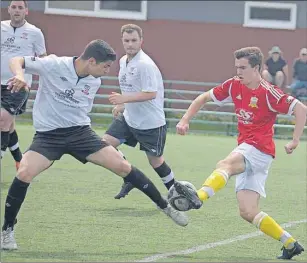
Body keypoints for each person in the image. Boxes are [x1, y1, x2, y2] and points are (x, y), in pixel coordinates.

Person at [0, 39, 188, 250]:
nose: (107, 71)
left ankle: (165, 206)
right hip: (48, 136)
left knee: (123, 166)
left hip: (80, 133)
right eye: (105, 66)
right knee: (24, 172)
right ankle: (7, 230)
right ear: (91, 61)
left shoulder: (93, 81)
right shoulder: (54, 64)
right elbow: (17, 60)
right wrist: (18, 75)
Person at [174, 47, 306, 260]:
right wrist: (185, 119)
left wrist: (295, 140)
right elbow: (203, 98)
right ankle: (289, 243)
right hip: (251, 150)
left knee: (224, 164)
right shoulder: (233, 84)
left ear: (257, 68)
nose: (238, 72)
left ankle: (198, 197)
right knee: (247, 211)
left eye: (243, 68)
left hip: (258, 149)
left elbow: (301, 109)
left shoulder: (268, 92)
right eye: (236, 67)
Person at [103, 24, 176, 199]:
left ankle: (177, 193)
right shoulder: (122, 61)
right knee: (105, 144)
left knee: (156, 161)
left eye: (134, 40)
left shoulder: (145, 65)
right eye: (126, 40)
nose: (130, 44)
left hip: (150, 123)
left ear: (141, 41)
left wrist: (123, 99)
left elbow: (150, 93)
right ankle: (130, 177)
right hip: (129, 118)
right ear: (122, 41)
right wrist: (123, 106)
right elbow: (132, 88)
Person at [1, 0, 47, 170]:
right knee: (8, 125)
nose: (17, 10)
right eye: (14, 7)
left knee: (3, 120)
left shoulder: (35, 33)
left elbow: (43, 60)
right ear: (9, 10)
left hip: (19, 85)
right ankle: (19, 160)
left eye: (20, 7)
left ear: (26, 11)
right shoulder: (1, 27)